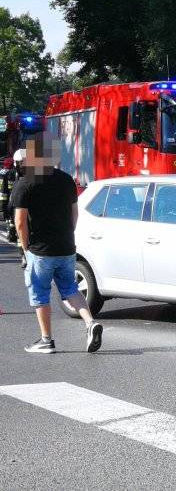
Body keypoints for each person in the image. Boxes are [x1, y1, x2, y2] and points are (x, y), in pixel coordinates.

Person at [11, 133, 103, 354]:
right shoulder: (66, 179)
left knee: (40, 294)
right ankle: (90, 323)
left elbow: (20, 223)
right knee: (70, 288)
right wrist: (66, 235)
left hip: (40, 250)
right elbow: (75, 213)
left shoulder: (25, 183)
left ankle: (46, 340)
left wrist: (26, 249)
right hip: (66, 247)